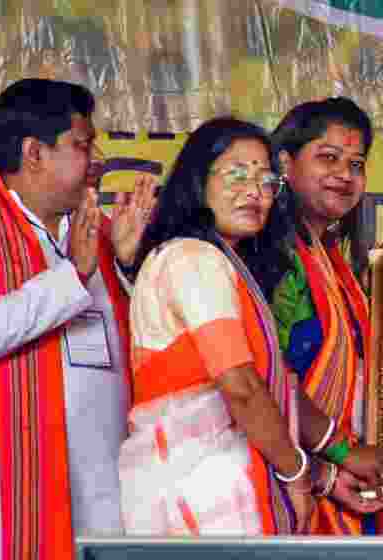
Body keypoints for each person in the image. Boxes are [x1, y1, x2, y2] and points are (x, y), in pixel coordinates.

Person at [0, 78, 155, 559]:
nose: (97, 158)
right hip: (10, 491)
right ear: (34, 152)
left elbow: (140, 346)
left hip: (105, 484)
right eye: (82, 144)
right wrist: (74, 275)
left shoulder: (96, 229)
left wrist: (127, 265)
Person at [119, 117, 324, 535]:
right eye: (236, 173)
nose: (254, 191)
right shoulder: (194, 258)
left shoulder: (214, 260)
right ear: (198, 181)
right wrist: (295, 471)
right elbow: (241, 386)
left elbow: (270, 383)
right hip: (200, 493)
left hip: (197, 485)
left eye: (266, 179)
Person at [270, 98, 383, 536]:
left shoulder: (333, 258)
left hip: (347, 480)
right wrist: (336, 458)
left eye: (356, 164)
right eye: (328, 157)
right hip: (297, 484)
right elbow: (269, 381)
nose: (344, 174)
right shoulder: (274, 257)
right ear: (285, 162)